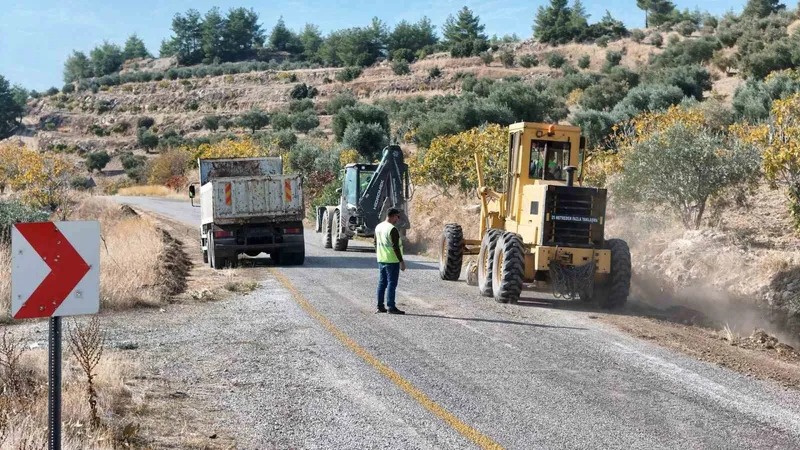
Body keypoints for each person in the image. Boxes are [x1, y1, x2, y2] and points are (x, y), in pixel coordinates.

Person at [375, 208, 406, 315]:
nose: (398, 219)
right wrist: (401, 261)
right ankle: (391, 307)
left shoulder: (378, 227)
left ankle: (380, 306)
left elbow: (375, 243)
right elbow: (395, 247)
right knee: (391, 284)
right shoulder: (392, 229)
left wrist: (380, 254)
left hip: (381, 259)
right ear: (393, 216)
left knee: (382, 283)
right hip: (392, 260)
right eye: (398, 216)